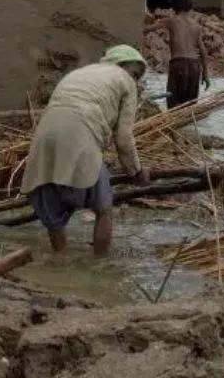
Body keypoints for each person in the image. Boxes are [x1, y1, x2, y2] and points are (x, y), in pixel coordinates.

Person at [19, 45, 150, 255]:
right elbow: (124, 139)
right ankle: (100, 267)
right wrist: (136, 171)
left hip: (45, 138)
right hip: (81, 134)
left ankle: (60, 262)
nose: (135, 81)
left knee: (54, 219)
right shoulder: (125, 81)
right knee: (104, 208)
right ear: (122, 65)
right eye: (135, 74)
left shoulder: (79, 73)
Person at [145, 0, 211, 109]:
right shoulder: (196, 26)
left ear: (173, 6)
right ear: (190, 6)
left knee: (174, 105)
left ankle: (176, 128)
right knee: (190, 106)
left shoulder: (171, 21)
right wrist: (205, 75)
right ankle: (188, 128)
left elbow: (146, 29)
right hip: (194, 66)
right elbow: (203, 52)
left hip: (179, 64)